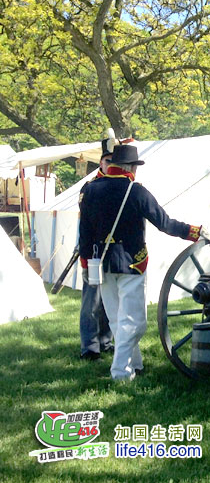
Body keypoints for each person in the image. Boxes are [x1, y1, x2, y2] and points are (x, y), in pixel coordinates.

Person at [79, 144, 210, 381]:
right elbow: (166, 224)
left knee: (116, 319)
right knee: (135, 323)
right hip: (131, 263)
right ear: (131, 168)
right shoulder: (136, 191)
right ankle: (120, 372)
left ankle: (135, 364)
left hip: (101, 263)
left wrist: (85, 263)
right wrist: (197, 231)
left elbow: (84, 233)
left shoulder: (90, 190)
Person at [78, 138, 115, 360]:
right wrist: (85, 259)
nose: (111, 165)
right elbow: (85, 226)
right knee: (91, 303)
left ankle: (105, 341)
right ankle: (90, 348)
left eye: (114, 161)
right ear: (101, 162)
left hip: (114, 251)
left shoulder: (119, 185)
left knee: (108, 302)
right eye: (108, 161)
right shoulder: (90, 188)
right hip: (93, 251)